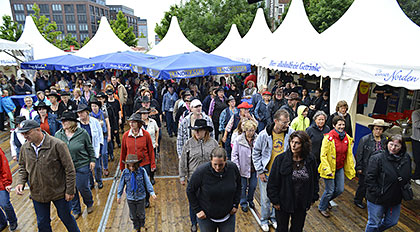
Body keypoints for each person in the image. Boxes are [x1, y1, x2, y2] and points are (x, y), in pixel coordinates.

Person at [16, 120, 80, 231]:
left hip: (59, 192)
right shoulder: (24, 148)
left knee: (66, 218)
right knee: (42, 223)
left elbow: (69, 169)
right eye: (23, 133)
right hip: (38, 193)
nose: (25, 136)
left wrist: (70, 190)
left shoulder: (57, 145)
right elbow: (22, 168)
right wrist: (20, 182)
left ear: (38, 130)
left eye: (27, 132)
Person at [267, 131, 319, 232]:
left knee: (297, 228)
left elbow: (314, 179)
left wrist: (313, 197)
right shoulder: (280, 159)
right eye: (292, 142)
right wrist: (275, 201)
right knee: (282, 229)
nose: (293, 145)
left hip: (301, 202)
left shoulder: (310, 159)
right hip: (283, 202)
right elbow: (272, 182)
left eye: (297, 143)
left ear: (304, 145)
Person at [252, 109, 294, 232]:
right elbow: (256, 153)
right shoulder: (263, 135)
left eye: (288, 122)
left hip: (283, 174)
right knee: (265, 199)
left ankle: (274, 218)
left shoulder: (291, 133)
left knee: (279, 198)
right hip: (267, 172)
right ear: (276, 121)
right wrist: (260, 171)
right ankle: (264, 219)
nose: (287, 125)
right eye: (284, 122)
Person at [187, 147, 241, 232]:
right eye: (215, 164)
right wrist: (197, 210)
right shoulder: (201, 171)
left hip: (227, 216)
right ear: (210, 160)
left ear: (226, 160)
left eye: (221, 165)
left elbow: (239, 186)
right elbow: (190, 190)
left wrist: (235, 204)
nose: (217, 168)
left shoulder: (233, 168)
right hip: (207, 217)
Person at [365, 134, 412, 232]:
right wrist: (379, 192)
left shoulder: (406, 158)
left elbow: (407, 175)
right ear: (387, 144)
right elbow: (370, 179)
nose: (393, 148)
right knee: (374, 223)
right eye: (391, 144)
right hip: (377, 198)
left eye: (397, 146)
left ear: (402, 147)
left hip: (395, 198)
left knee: (392, 221)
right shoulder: (377, 158)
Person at [179, 119, 218, 232]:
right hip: (193, 178)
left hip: (210, 179)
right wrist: (182, 176)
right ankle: (194, 223)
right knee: (193, 202)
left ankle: (209, 220)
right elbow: (183, 161)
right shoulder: (189, 143)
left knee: (210, 200)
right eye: (195, 130)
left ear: (205, 131)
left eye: (199, 130)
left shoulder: (213, 143)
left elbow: (219, 158)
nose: (196, 132)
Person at [55, 111, 96, 219]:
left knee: (83, 187)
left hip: (82, 164)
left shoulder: (82, 133)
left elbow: (89, 148)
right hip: (66, 167)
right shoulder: (58, 134)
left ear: (72, 122)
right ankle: (76, 209)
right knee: (71, 189)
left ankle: (89, 202)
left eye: (65, 120)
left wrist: (92, 160)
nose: (63, 122)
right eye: (62, 121)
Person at [318, 116, 355, 218]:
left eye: (343, 124)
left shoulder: (347, 137)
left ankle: (326, 200)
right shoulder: (328, 138)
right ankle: (322, 207)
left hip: (339, 167)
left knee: (340, 189)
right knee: (329, 190)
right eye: (339, 124)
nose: (342, 126)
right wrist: (327, 169)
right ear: (334, 125)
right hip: (329, 168)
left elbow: (349, 155)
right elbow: (323, 155)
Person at [120, 113, 156, 208]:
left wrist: (152, 164)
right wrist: (122, 167)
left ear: (139, 123)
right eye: (130, 122)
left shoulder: (146, 135)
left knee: (144, 183)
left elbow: (151, 151)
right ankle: (136, 199)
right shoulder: (125, 136)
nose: (131, 124)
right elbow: (123, 152)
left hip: (144, 163)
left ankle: (146, 199)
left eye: (134, 122)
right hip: (131, 164)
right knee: (132, 182)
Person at [354, 119, 389, 209]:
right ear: (373, 129)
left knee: (374, 185)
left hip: (379, 168)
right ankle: (358, 200)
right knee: (363, 185)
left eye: (380, 129)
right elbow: (359, 154)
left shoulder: (385, 140)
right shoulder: (365, 139)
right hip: (366, 166)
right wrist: (359, 167)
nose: (378, 131)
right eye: (376, 129)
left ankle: (368, 199)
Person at [117, 154, 156, 232]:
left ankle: (142, 225)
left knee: (141, 213)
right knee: (133, 214)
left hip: (141, 197)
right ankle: (136, 226)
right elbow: (121, 184)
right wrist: (119, 195)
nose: (131, 168)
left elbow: (147, 182)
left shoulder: (142, 171)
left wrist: (152, 192)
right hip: (130, 197)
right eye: (129, 166)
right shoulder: (125, 172)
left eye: (133, 166)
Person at [231, 120, 258, 213]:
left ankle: (250, 199)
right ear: (245, 130)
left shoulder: (257, 139)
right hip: (242, 168)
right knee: (242, 186)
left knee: (253, 186)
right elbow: (234, 155)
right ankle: (243, 203)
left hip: (254, 168)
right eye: (249, 130)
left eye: (253, 130)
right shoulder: (238, 140)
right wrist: (236, 167)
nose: (251, 132)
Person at [76, 104, 104, 189]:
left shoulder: (95, 122)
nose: (80, 114)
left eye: (82, 112)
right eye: (78, 113)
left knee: (97, 167)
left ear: (87, 112)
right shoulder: (76, 123)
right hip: (83, 151)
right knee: (87, 168)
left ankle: (99, 181)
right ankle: (91, 182)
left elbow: (100, 136)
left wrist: (100, 150)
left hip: (94, 148)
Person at [89, 98, 112, 177]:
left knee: (104, 153)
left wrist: (109, 135)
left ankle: (105, 167)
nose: (94, 108)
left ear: (98, 106)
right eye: (92, 106)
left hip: (104, 135)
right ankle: (97, 170)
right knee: (96, 154)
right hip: (95, 138)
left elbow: (108, 125)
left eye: (95, 106)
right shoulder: (90, 116)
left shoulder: (103, 114)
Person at [139, 107, 159, 184]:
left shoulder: (153, 122)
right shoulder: (139, 124)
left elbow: (157, 130)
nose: (145, 115)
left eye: (146, 113)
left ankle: (152, 177)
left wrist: (156, 141)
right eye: (143, 114)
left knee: (152, 162)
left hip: (152, 145)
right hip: (142, 147)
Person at [0, 147, 18, 231]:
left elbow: (4, 166)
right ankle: (2, 222)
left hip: (1, 183)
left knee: (5, 204)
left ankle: (12, 221)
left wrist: (7, 182)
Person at [411, 109, 420, 185]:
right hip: (417, 140)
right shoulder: (416, 113)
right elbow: (417, 125)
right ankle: (415, 177)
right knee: (418, 159)